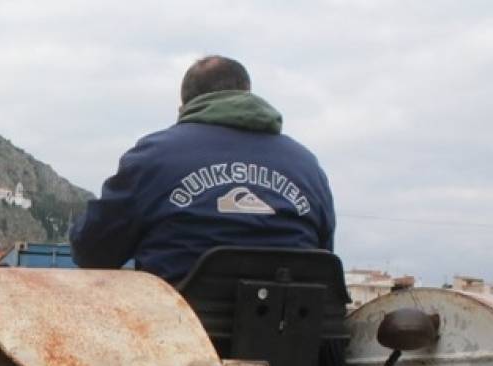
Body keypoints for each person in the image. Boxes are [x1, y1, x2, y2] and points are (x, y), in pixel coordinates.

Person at [70, 56, 335, 284]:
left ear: (184, 106)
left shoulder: (153, 156)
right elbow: (323, 257)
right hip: (293, 337)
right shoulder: (308, 166)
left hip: (175, 334)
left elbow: (93, 253)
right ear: (247, 93)